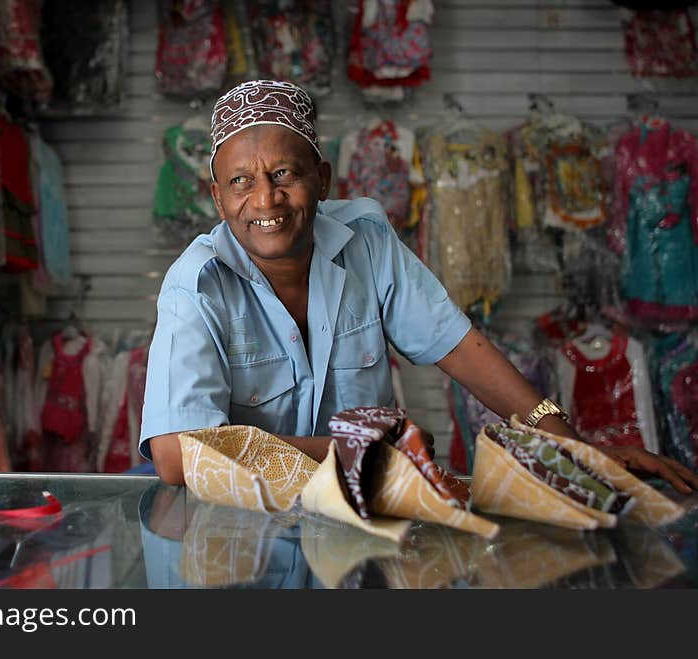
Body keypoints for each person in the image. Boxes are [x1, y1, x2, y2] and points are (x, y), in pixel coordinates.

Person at [139, 79, 698, 494]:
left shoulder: (366, 241)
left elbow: (460, 347)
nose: (265, 200)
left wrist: (577, 452)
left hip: (362, 528)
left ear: (322, 181)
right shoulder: (196, 286)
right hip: (242, 539)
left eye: (284, 174)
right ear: (217, 197)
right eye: (241, 181)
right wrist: (356, 453)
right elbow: (174, 456)